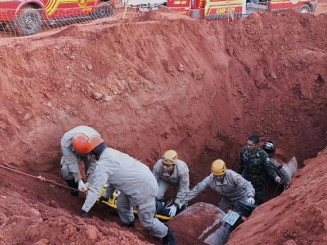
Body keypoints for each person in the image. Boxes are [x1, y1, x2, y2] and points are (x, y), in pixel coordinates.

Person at [75, 134, 177, 245]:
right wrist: (106, 197)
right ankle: (129, 224)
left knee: (147, 222)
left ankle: (168, 235)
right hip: (140, 181)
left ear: (92, 153)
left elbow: (95, 190)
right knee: (122, 202)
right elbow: (114, 180)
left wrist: (83, 211)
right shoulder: (111, 152)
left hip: (143, 188)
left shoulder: (103, 165)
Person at [176, 159, 255, 213]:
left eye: (220, 175)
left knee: (245, 213)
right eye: (216, 176)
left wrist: (250, 196)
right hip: (227, 199)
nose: (218, 178)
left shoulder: (232, 176)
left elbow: (246, 184)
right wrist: (182, 202)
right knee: (219, 214)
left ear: (224, 172)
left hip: (241, 196)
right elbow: (198, 189)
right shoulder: (210, 179)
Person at [237, 134, 281, 204]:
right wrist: (237, 176)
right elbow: (241, 165)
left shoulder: (263, 155)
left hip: (258, 182)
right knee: (244, 198)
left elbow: (269, 168)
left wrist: (276, 176)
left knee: (257, 202)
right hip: (246, 178)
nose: (248, 147)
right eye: (247, 144)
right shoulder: (244, 151)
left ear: (256, 145)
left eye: (251, 145)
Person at [60, 125, 101, 196]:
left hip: (89, 150)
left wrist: (90, 182)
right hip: (74, 152)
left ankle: (92, 192)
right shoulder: (65, 142)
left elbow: (92, 165)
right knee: (65, 169)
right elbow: (71, 162)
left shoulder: (96, 142)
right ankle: (74, 189)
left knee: (94, 175)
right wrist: (79, 180)